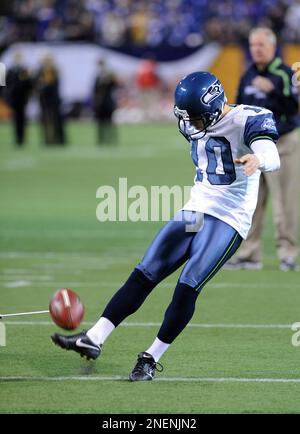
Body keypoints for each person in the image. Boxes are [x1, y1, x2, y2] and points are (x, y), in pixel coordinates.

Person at [51, 71, 280, 381]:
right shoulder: (192, 123)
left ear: (214, 106)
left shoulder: (248, 118)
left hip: (229, 218)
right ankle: (94, 338)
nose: (193, 124)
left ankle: (150, 357)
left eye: (198, 117)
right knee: (145, 272)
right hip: (195, 209)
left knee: (187, 286)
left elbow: (271, 153)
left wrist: (258, 159)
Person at [228, 27, 300, 271]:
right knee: (251, 203)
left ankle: (287, 254)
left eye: (261, 45)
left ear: (272, 47)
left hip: (282, 145)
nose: (256, 49)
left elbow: (293, 108)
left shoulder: (285, 73)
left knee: (285, 204)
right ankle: (250, 255)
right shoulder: (247, 74)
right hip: (252, 148)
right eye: (252, 45)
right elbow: (237, 110)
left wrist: (274, 89)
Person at [35, 54, 66, 145]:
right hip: (44, 100)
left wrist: (44, 85)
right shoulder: (40, 71)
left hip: (53, 100)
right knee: (44, 121)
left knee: (56, 121)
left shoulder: (54, 71)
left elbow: (54, 85)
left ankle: (58, 139)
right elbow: (36, 84)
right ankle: (47, 139)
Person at [4, 52, 32, 146]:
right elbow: (7, 84)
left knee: (22, 119)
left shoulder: (24, 70)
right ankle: (17, 138)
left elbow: (29, 84)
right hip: (14, 98)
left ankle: (22, 138)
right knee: (15, 119)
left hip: (23, 98)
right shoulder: (11, 70)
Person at [93, 59, 118, 145]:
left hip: (108, 103)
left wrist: (110, 80)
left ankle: (110, 139)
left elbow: (114, 86)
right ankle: (101, 139)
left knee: (109, 122)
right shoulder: (97, 77)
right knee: (100, 122)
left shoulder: (109, 76)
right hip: (100, 104)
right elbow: (94, 91)